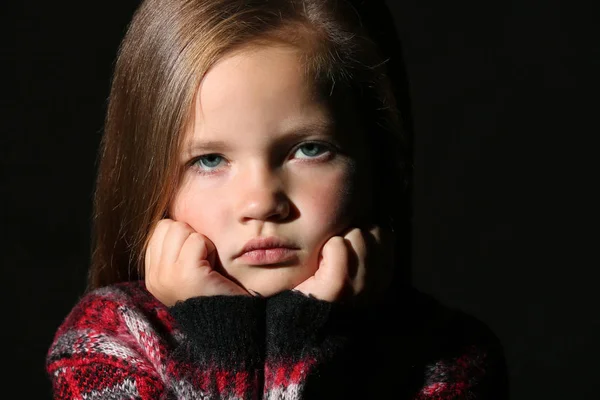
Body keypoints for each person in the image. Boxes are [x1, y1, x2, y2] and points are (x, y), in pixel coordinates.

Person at [46, 0, 509, 398]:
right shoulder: (105, 343)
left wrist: (311, 337)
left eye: (309, 149)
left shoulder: (449, 357)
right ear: (151, 181)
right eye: (209, 160)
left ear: (380, 162)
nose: (262, 202)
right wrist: (222, 338)